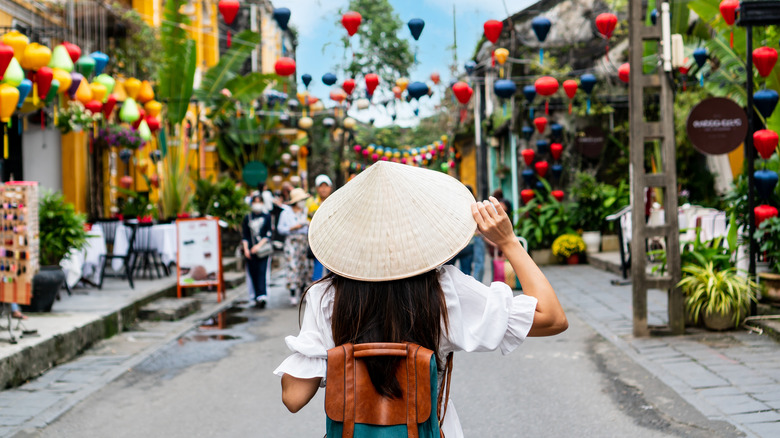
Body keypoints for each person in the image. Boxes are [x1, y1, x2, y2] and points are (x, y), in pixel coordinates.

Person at [274, 162, 568, 437]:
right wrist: (509, 242)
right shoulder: (444, 290)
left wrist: (337, 358)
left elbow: (294, 397)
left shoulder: (326, 297)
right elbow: (553, 319)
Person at [277, 188, 311, 306]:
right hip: (291, 241)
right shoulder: (285, 213)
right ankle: (292, 293)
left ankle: (302, 291)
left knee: (304, 267)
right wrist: (293, 228)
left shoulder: (305, 211)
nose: (303, 202)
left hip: (304, 241)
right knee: (293, 267)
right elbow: (280, 229)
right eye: (301, 200)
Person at [241, 195, 272, 308]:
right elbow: (245, 235)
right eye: (255, 202)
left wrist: (258, 246)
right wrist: (246, 249)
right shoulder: (247, 217)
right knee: (253, 273)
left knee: (262, 271)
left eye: (259, 202)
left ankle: (262, 295)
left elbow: (268, 234)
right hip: (250, 250)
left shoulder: (266, 216)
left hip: (262, 250)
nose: (257, 204)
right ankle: (255, 295)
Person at [307, 174, 333, 282]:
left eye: (326, 186)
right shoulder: (311, 203)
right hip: (317, 239)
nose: (323, 189)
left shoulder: (335, 201)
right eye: (321, 186)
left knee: (332, 268)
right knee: (317, 267)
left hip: (332, 239)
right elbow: (308, 220)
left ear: (330, 187)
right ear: (317, 188)